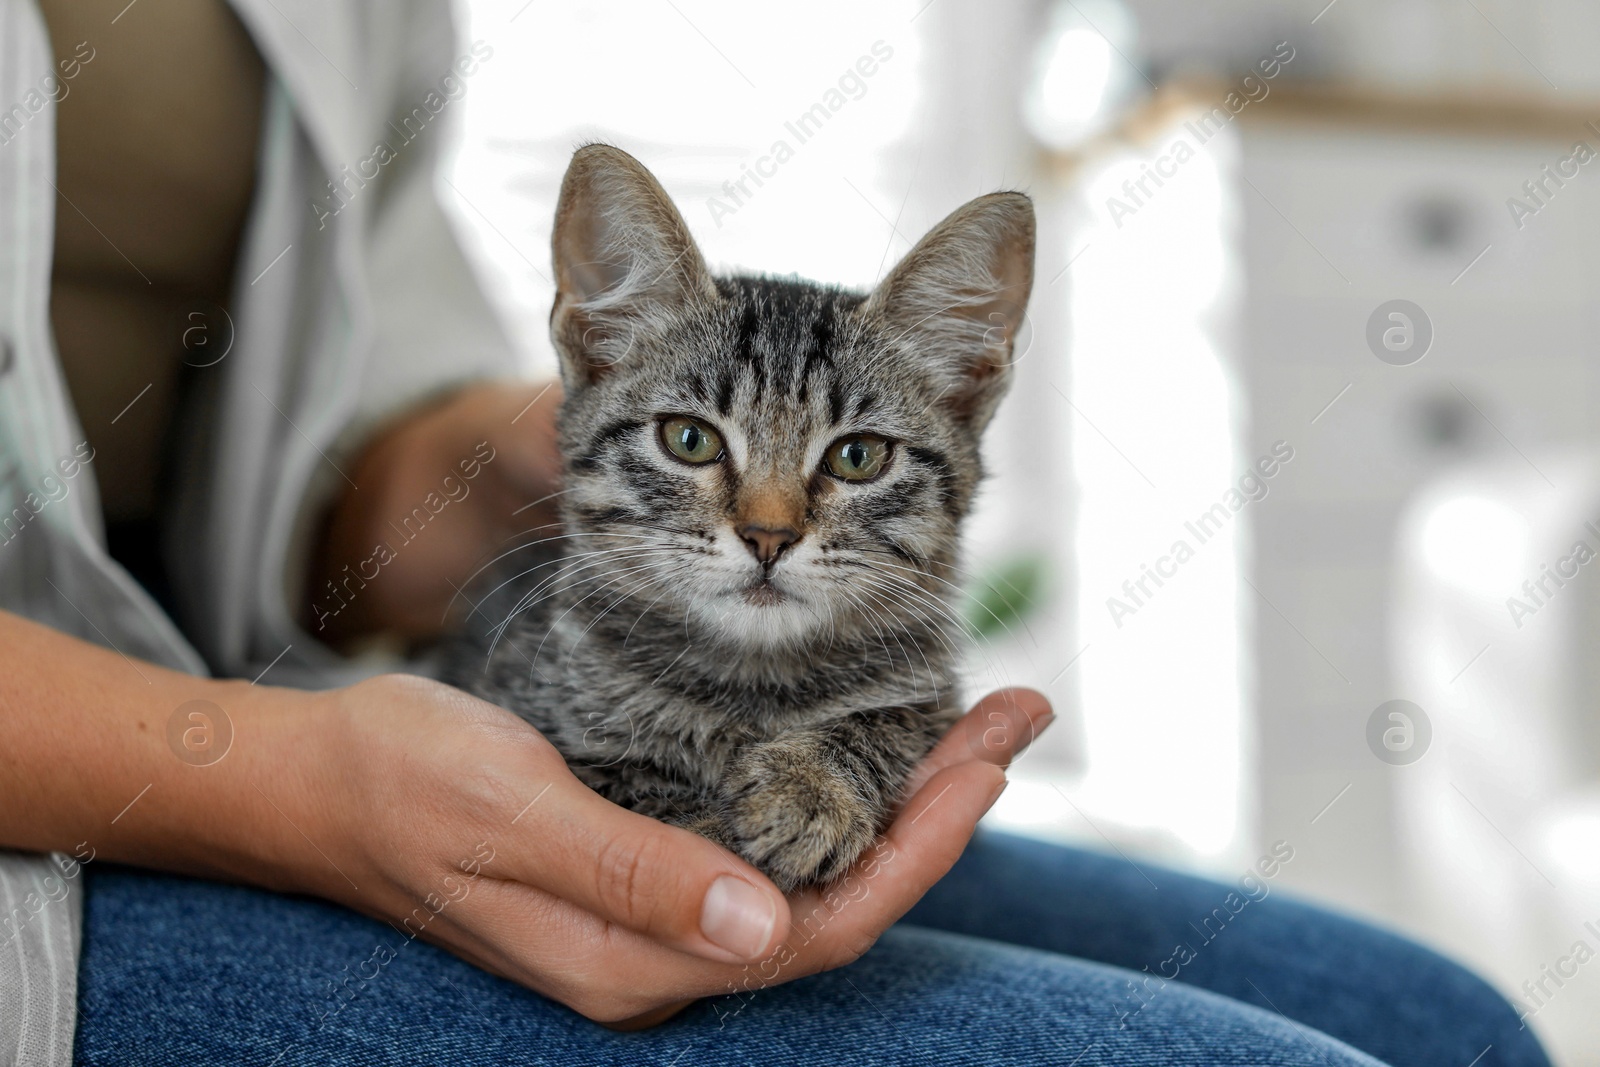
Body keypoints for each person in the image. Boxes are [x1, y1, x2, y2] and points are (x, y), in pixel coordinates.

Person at [0, 1, 1551, 1064]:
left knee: (1440, 1021)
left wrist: (581, 428)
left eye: (850, 465)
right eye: (715, 459)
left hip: (236, 639)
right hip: (65, 812)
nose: (766, 520)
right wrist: (275, 780)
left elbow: (329, 423)